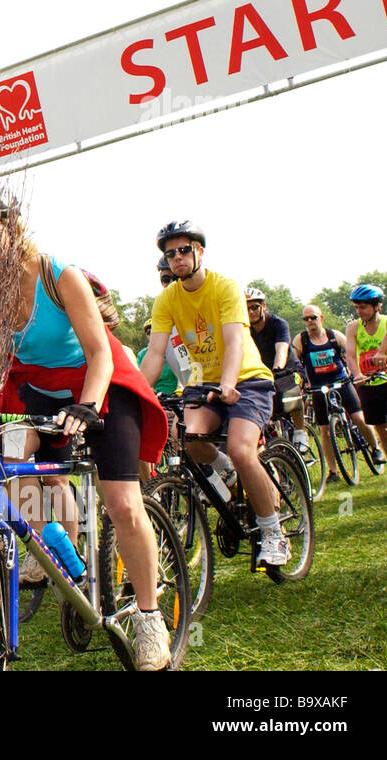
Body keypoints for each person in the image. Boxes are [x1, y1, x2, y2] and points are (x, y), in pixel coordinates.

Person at [0, 194, 172, 669]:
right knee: (9, 457)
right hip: (40, 393)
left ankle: (150, 617)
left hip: (99, 384)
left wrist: (89, 407)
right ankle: (54, 547)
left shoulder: (58, 275)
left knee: (121, 502)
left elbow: (100, 351)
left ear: (11, 227)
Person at [139, 221, 291, 567]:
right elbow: (155, 353)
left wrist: (228, 383)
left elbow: (236, 340)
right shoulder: (166, 300)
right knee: (189, 442)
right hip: (201, 381)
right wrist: (136, 391)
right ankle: (230, 475)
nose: (176, 259)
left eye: (183, 250)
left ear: (199, 252)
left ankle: (272, 533)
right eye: (169, 254)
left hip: (246, 379)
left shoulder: (225, 287)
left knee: (240, 448)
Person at [293, 304, 371, 485]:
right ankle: (333, 471)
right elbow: (295, 361)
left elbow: (352, 354)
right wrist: (300, 381)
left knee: (359, 418)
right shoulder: (301, 340)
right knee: (325, 431)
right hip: (318, 388)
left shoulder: (335, 336)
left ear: (321, 317)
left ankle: (376, 449)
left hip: (341, 382)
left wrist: (356, 372)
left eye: (313, 317)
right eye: (306, 319)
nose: (310, 322)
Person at [244, 287, 311, 455]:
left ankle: (300, 431)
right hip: (263, 373)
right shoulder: (245, 329)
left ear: (263, 306)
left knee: (291, 390)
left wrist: (277, 368)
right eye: (246, 308)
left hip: (287, 369)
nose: (251, 312)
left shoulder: (278, 324)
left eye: (254, 307)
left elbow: (281, 349)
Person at [345, 285, 387, 494]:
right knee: (383, 431)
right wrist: (356, 374)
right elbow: (350, 354)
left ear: (376, 306)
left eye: (364, 307)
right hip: (368, 384)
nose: (359, 311)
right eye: (357, 307)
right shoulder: (353, 327)